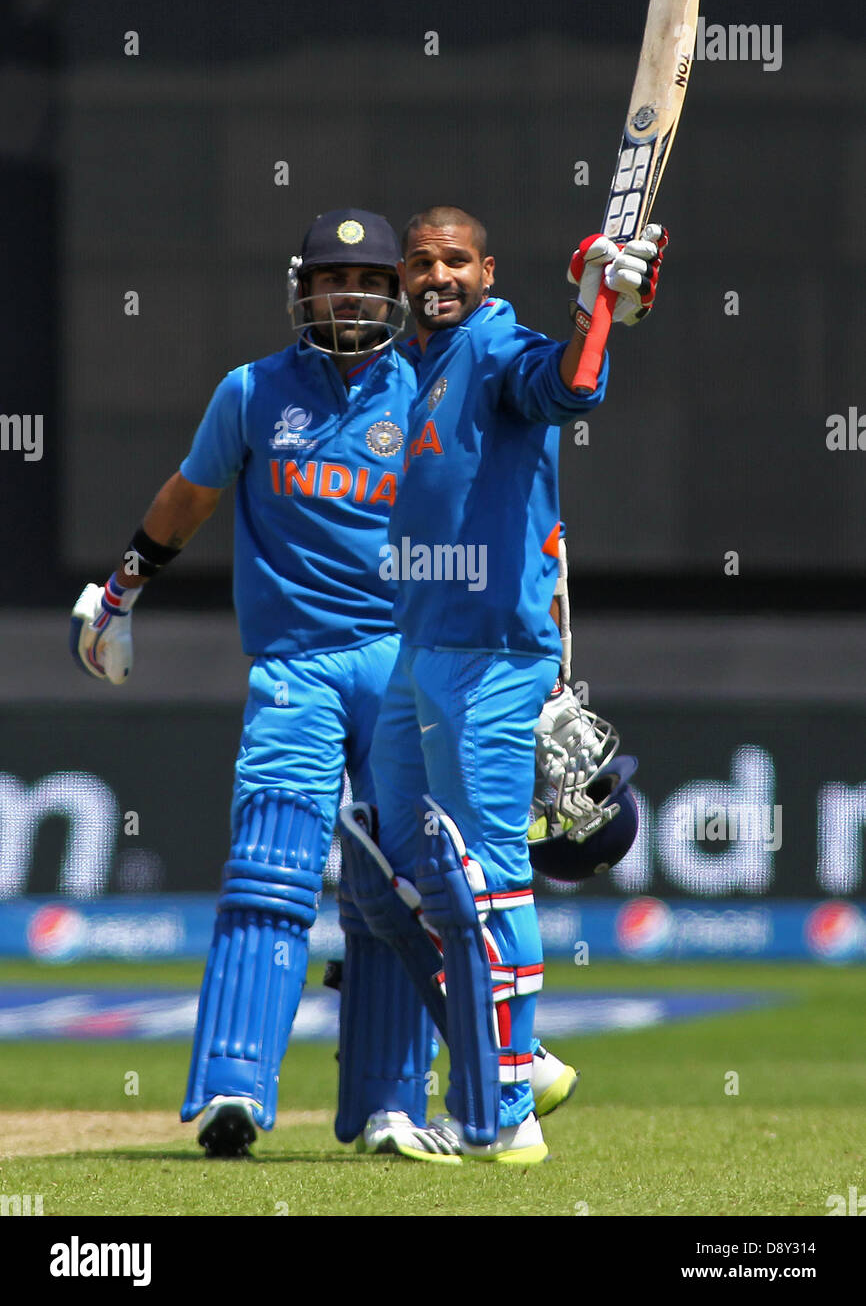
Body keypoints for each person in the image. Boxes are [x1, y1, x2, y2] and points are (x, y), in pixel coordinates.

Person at [69, 206, 580, 1162]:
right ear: (301, 290)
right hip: (296, 663)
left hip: (407, 657)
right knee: (272, 862)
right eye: (329, 281)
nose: (348, 297)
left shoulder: (435, 381)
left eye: (369, 282)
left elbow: (523, 502)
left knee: (399, 882)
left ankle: (393, 1101)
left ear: (397, 297)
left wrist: (543, 665)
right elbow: (191, 493)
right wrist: (120, 589)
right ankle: (232, 1087)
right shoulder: (254, 391)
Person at [350, 205, 665, 1164]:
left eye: (454, 260)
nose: (435, 275)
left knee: (483, 876)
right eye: (420, 263)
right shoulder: (411, 369)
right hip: (419, 648)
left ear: (487, 270)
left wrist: (596, 311)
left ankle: (505, 1112)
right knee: (379, 870)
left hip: (492, 656)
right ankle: (528, 1059)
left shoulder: (495, 347)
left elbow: (569, 388)